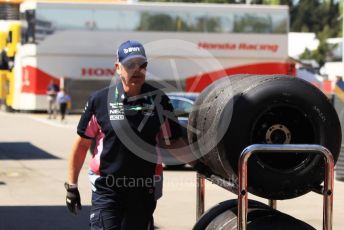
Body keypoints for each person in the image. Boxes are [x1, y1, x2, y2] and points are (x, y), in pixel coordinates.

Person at [65, 40, 193, 230]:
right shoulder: (100, 100)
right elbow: (82, 144)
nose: (137, 70)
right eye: (130, 65)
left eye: (142, 65)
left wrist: (202, 164)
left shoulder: (159, 100)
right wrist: (71, 186)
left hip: (143, 189)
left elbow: (172, 142)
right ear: (118, 68)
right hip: (107, 188)